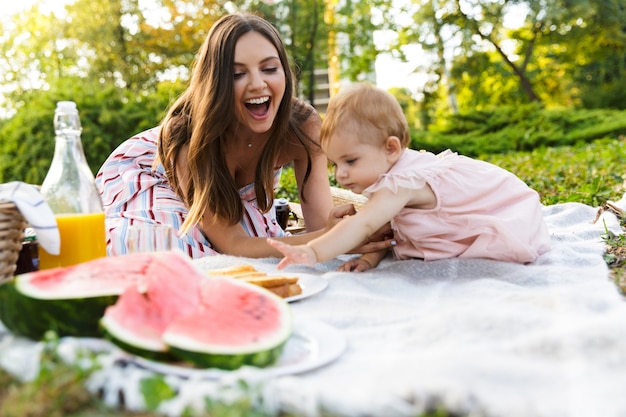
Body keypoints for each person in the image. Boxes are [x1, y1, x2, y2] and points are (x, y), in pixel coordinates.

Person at [96, 13, 390, 258]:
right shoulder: (187, 138)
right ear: (216, 84)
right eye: (238, 74)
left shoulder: (301, 127)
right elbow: (234, 244)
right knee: (164, 247)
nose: (258, 84)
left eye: (270, 69)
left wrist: (341, 236)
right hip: (154, 173)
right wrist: (330, 238)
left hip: (223, 199)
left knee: (256, 246)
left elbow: (320, 226)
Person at [268, 82, 551, 271]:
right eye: (335, 164)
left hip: (507, 214)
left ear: (391, 148)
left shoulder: (401, 182)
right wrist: (368, 260)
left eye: (350, 161)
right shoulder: (392, 175)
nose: (341, 174)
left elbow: (364, 225)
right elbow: (387, 232)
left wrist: (312, 252)